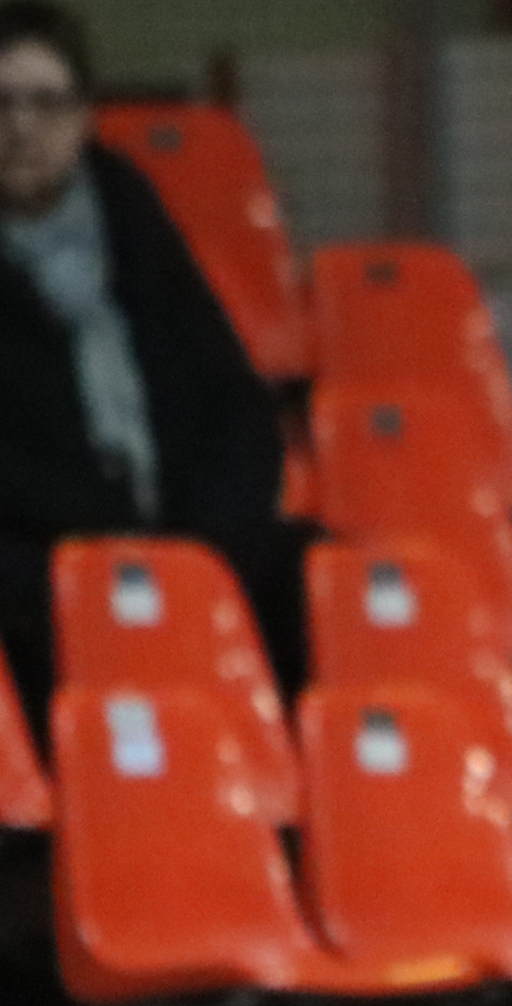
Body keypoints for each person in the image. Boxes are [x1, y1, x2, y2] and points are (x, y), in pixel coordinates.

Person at [0, 1, 306, 745]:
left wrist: (197, 552)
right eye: (1, 104)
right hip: (45, 563)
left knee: (318, 576)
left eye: (45, 102)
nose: (21, 127)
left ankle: (300, 817)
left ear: (83, 115)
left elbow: (236, 411)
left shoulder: (133, 220)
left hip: (180, 541)